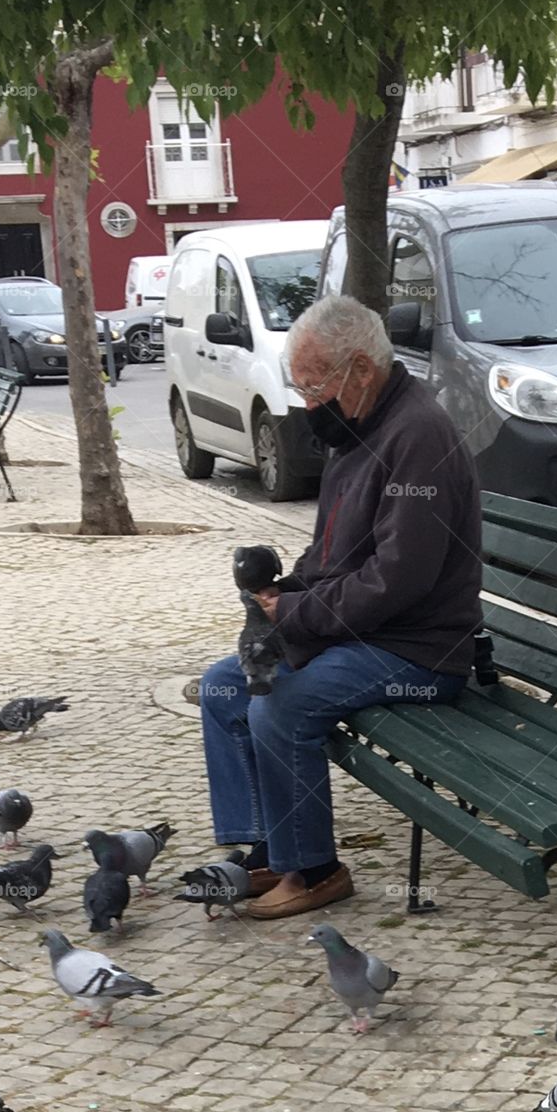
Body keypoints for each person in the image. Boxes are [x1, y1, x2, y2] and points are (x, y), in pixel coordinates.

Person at [200, 293, 484, 920]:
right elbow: (331, 553)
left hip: (418, 649)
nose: (307, 405)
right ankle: (271, 847)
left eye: (313, 386)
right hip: (364, 633)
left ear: (360, 369)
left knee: (281, 703)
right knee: (225, 685)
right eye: (299, 388)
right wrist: (286, 593)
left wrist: (297, 617)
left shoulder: (417, 437)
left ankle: (317, 871)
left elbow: (398, 580)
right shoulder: (360, 426)